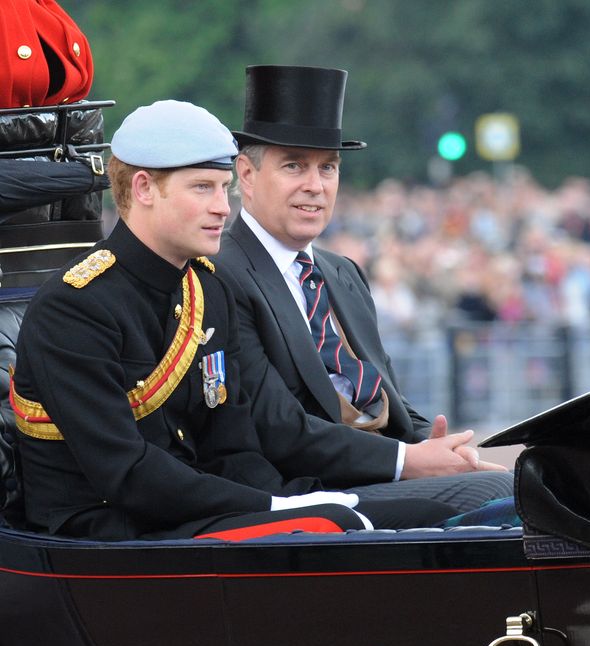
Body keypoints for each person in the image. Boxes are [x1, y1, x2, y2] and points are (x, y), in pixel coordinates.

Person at [9, 100, 457, 541]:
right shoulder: (74, 306)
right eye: (203, 187)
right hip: (105, 533)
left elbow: (233, 447)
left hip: (190, 511)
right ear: (144, 189)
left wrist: (292, 498)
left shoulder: (207, 288)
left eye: (225, 188)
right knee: (343, 528)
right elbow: (126, 473)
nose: (223, 208)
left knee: (425, 514)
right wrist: (274, 509)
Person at [216, 65, 512, 513]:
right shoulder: (222, 273)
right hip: (305, 491)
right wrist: (409, 460)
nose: (314, 186)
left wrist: (445, 452)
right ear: (247, 175)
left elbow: (385, 395)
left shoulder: (342, 273)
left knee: (518, 484)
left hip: (375, 473)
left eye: (328, 168)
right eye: (294, 165)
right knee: (501, 496)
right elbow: (277, 428)